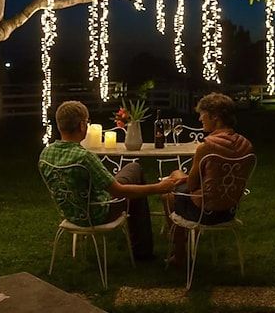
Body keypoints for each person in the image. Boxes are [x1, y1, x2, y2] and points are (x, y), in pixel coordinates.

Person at [39, 100, 177, 261]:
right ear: (82, 125)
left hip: (71, 214)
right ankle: (142, 251)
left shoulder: (45, 154)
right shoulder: (84, 157)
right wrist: (159, 187)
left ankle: (142, 249)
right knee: (136, 170)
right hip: (99, 213)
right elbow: (119, 191)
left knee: (132, 168)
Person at [162, 92, 254, 266]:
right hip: (229, 210)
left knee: (168, 196)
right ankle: (190, 247)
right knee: (180, 181)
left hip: (206, 212)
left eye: (202, 114)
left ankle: (179, 254)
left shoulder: (206, 147)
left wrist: (180, 177)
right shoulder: (246, 145)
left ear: (215, 117)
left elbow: (191, 185)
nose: (199, 119)